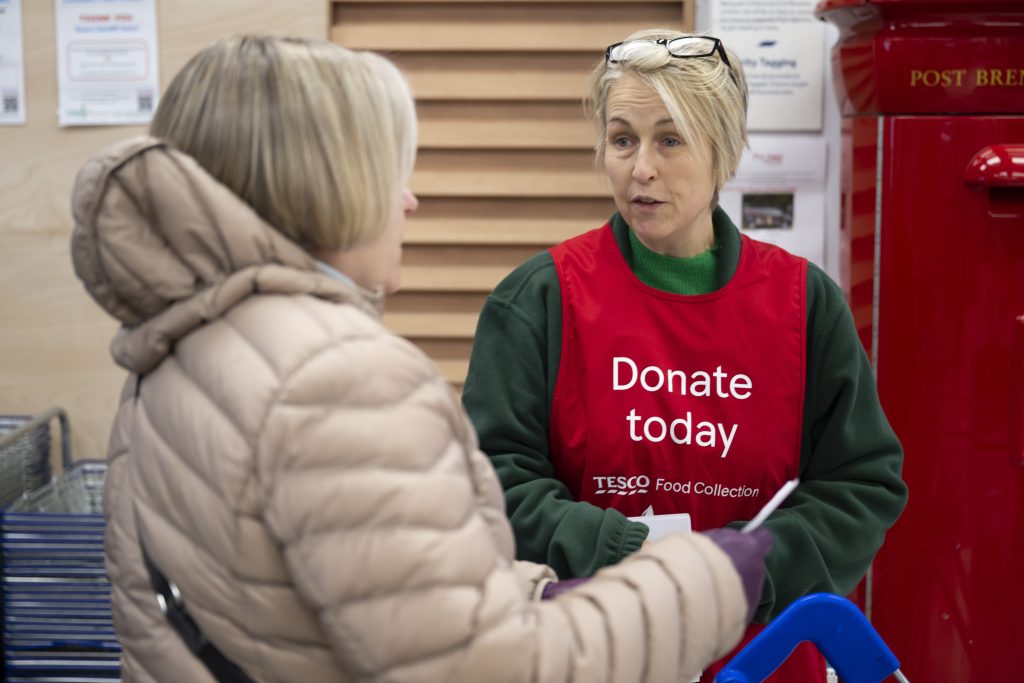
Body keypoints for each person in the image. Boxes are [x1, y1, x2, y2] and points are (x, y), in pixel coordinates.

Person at [70, 35, 775, 683]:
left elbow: (348, 600)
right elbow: (486, 669)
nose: (409, 199)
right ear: (323, 183)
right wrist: (700, 579)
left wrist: (535, 590)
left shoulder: (181, 350)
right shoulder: (337, 379)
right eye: (388, 170)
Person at [462, 28, 909, 682]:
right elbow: (492, 479)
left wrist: (744, 568)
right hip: (590, 650)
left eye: (670, 139)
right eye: (623, 140)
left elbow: (862, 483)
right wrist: (624, 552)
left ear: (722, 152)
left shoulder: (804, 304)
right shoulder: (539, 299)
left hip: (762, 653)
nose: (641, 168)